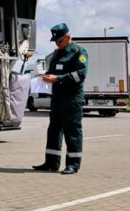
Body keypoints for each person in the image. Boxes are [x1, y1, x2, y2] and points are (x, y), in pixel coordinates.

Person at [32, 23, 88, 174]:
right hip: (57, 97)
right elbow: (52, 71)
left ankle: (73, 165)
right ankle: (51, 163)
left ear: (68, 37)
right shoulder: (57, 53)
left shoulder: (79, 52)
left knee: (72, 131)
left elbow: (80, 75)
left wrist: (58, 78)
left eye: (59, 41)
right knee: (54, 130)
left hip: (72, 98)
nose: (57, 43)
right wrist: (44, 76)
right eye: (56, 41)